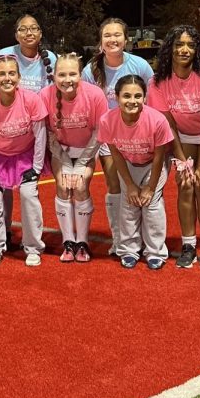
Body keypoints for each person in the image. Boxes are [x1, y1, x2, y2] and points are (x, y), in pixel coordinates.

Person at [149, 25, 200, 271]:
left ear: (197, 50)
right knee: (185, 183)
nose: (184, 50)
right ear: (170, 48)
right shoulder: (158, 81)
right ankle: (187, 244)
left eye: (190, 45)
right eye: (178, 45)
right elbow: (169, 125)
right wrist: (183, 161)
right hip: (182, 133)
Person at [82, 17, 153, 255]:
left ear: (126, 39)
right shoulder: (90, 70)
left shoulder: (141, 66)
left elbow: (150, 101)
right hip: (109, 138)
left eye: (117, 35)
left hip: (138, 135)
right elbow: (88, 105)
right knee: (116, 186)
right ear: (100, 41)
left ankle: (142, 237)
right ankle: (119, 238)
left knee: (140, 187)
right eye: (107, 36)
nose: (112, 40)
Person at [0, 15, 56, 246]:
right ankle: (2, 233)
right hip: (6, 129)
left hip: (35, 130)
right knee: (1, 187)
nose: (29, 33)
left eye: (34, 28)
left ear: (40, 33)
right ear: (16, 34)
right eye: (23, 29)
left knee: (29, 190)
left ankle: (36, 241)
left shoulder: (50, 59)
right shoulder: (5, 55)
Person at [0, 54, 48, 267]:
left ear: (19, 76)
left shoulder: (31, 100)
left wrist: (35, 168)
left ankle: (33, 247)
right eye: (2, 74)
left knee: (28, 194)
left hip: (25, 156)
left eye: (11, 73)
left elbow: (40, 134)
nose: (7, 78)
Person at [97, 74, 174, 269]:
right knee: (129, 203)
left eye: (138, 96)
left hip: (153, 165)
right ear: (116, 97)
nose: (132, 101)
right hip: (128, 162)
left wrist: (150, 187)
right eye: (126, 96)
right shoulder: (107, 120)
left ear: (145, 98)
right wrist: (130, 185)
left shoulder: (157, 120)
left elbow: (159, 157)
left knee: (151, 205)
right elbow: (116, 154)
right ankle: (128, 249)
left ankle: (155, 251)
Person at [39, 52, 107, 262]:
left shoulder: (95, 95)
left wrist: (82, 165)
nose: (67, 80)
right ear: (54, 76)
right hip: (61, 150)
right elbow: (49, 134)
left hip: (88, 149)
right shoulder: (45, 95)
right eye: (62, 75)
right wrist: (66, 163)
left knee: (79, 185)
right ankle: (68, 241)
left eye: (72, 74)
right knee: (62, 184)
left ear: (80, 74)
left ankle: (82, 241)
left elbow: (98, 133)